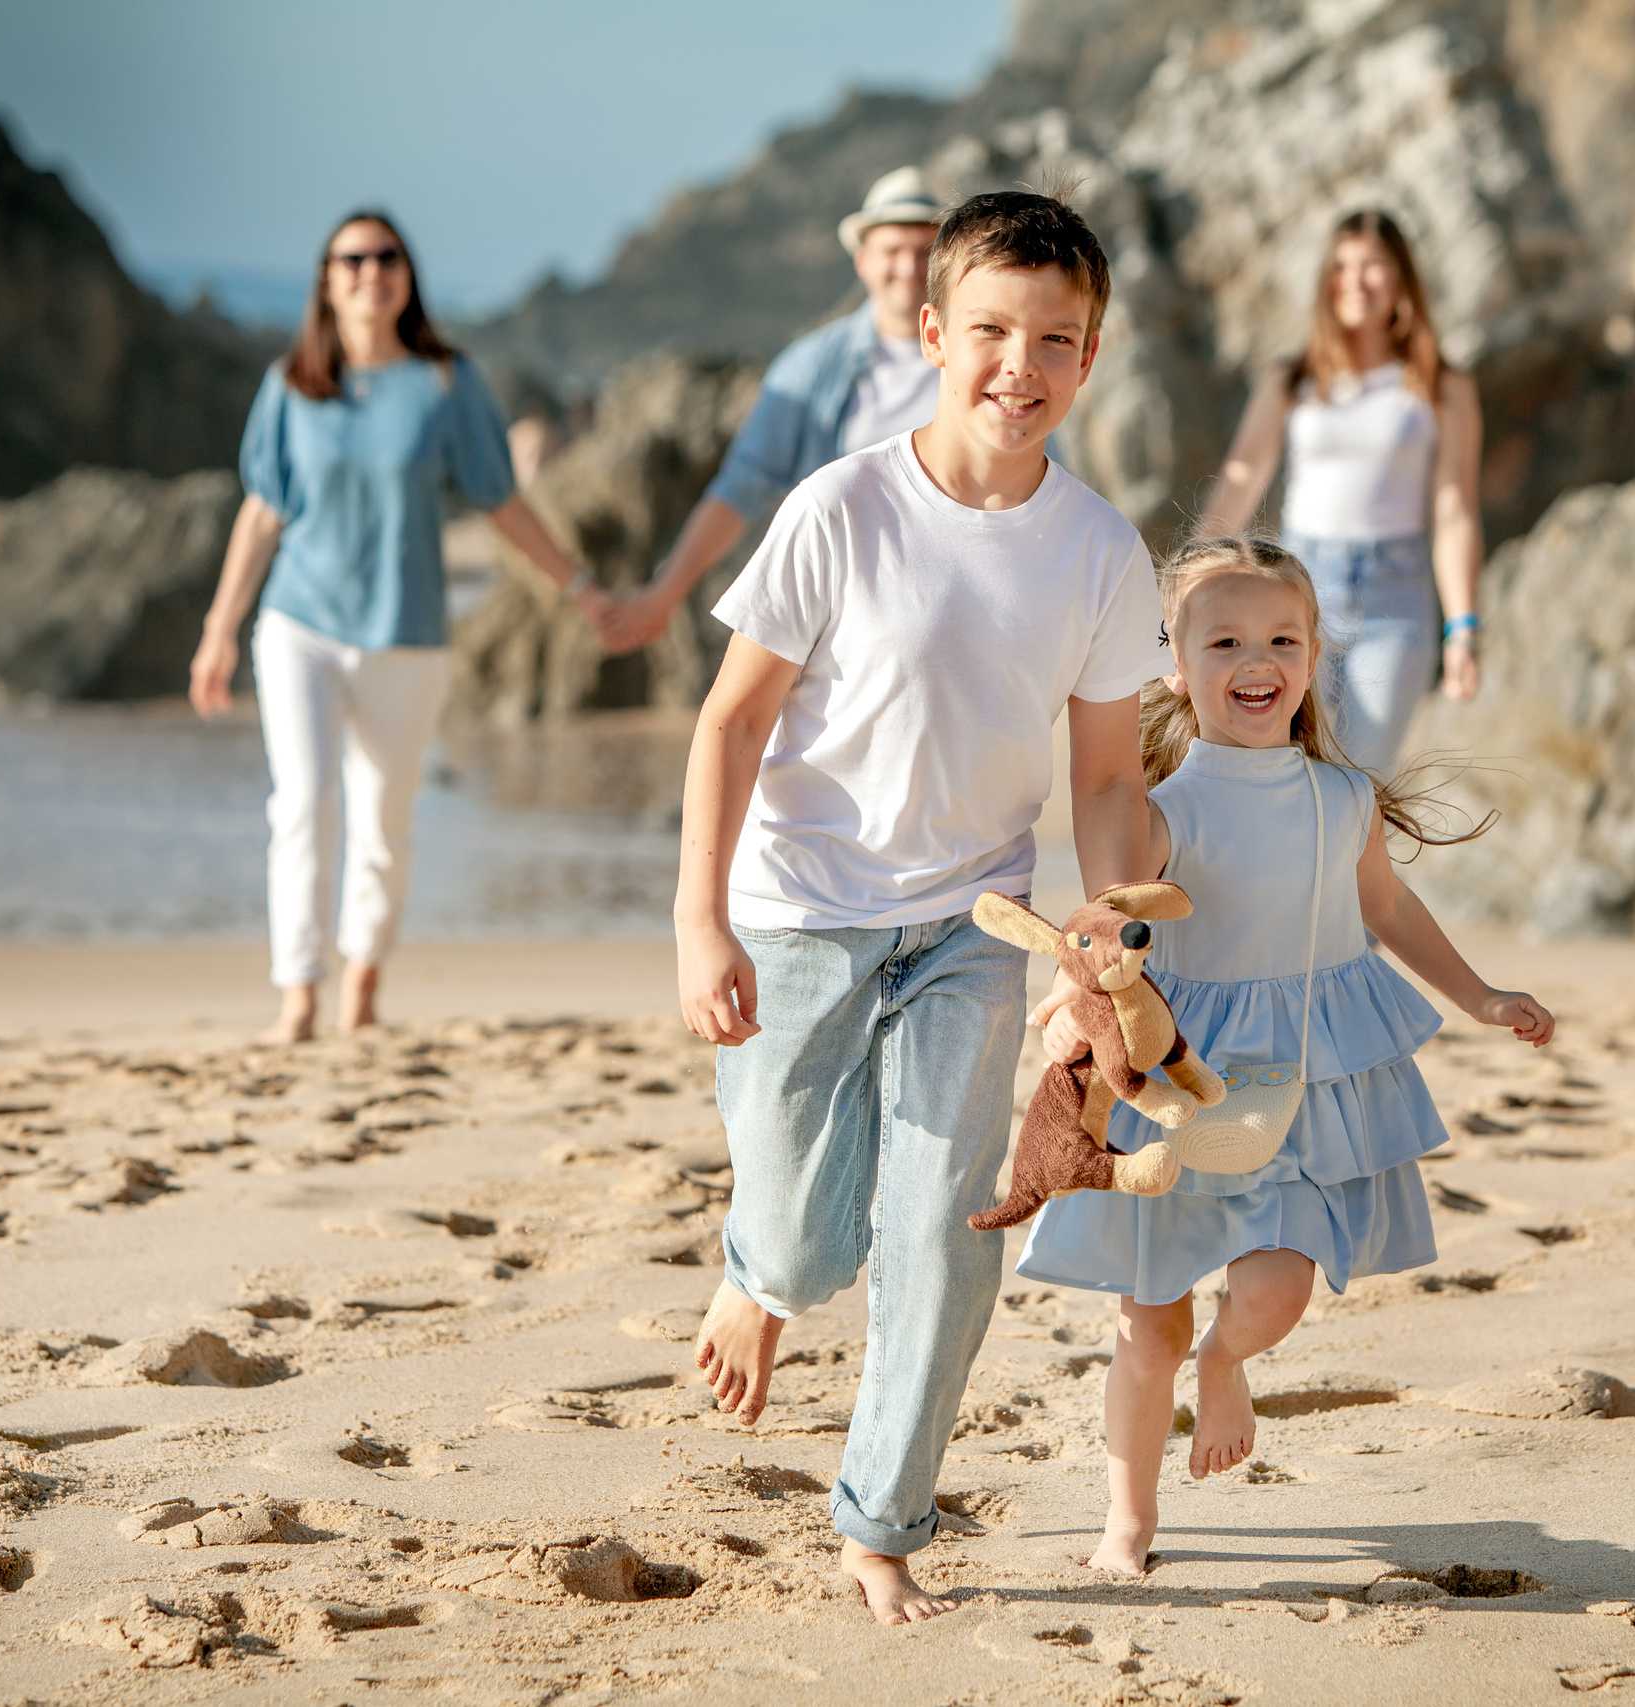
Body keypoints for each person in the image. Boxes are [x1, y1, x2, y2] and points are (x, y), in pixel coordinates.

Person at [674, 190, 1159, 1624]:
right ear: (933, 333)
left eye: (1058, 339)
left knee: (951, 1223)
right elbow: (728, 725)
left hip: (972, 925)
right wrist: (699, 923)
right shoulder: (842, 507)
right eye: (994, 331)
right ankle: (759, 1272)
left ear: (1091, 357)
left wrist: (1105, 937)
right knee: (814, 1239)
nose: (1024, 364)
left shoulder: (1099, 551)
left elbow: (1109, 778)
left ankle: (880, 1521)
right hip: (797, 910)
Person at [1016, 536, 1553, 1576]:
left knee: (1278, 1287)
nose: (1253, 660)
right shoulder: (1169, 810)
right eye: (1222, 640)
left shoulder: (1340, 798)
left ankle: (1229, 1362)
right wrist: (1070, 990)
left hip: (1300, 1078)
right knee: (1148, 1318)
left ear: (1312, 657)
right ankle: (1128, 1521)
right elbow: (1110, 919)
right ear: (1173, 663)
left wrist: (1479, 994)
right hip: (1180, 1089)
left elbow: (1386, 909)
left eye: (1280, 638)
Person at [189, 210, 605, 1043]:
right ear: (326, 279)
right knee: (301, 807)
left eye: (386, 258)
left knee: (383, 820)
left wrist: (580, 586)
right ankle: (299, 994)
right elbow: (262, 512)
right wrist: (219, 629)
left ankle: (363, 987)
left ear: (406, 276)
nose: (369, 272)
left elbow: (502, 500)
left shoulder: (447, 384)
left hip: (406, 636)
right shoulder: (293, 384)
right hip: (298, 627)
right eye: (351, 260)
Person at [596, 167, 944, 654]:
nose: (908, 267)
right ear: (863, 260)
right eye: (892, 251)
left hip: (950, 610)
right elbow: (741, 488)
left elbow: (1037, 478)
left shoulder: (981, 361)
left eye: (925, 250)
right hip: (841, 621)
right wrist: (664, 594)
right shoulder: (810, 369)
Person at [1196, 211, 1484, 776]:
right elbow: (1237, 487)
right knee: (1289, 771)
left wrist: (1464, 628)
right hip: (1298, 595)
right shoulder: (1292, 380)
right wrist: (1188, 592)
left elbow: (1455, 513)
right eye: (1343, 265)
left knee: (1362, 783)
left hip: (1395, 601)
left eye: (1374, 265)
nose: (1356, 279)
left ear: (1401, 278)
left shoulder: (1443, 386)